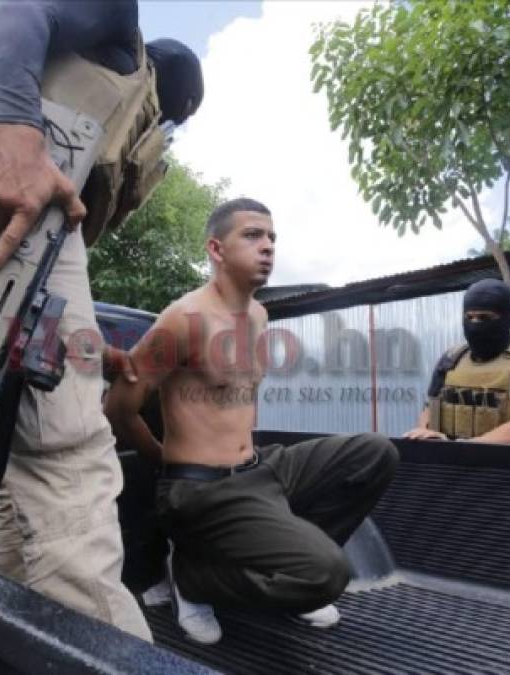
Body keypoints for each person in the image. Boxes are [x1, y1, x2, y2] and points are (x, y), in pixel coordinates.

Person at [0, 0, 203, 643]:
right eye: (174, 117)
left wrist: (88, 350)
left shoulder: (89, 90)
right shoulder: (118, 24)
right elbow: (16, 12)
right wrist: (15, 133)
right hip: (14, 235)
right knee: (71, 456)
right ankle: (110, 653)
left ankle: (20, 635)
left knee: (20, 465)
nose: (163, 128)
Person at [103, 198, 399, 644]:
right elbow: (118, 407)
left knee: (375, 453)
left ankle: (290, 572)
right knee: (328, 574)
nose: (268, 247)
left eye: (272, 237)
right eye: (252, 235)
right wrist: (164, 461)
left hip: (259, 470)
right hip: (202, 489)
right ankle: (192, 577)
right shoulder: (183, 319)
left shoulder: (259, 315)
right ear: (217, 249)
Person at [404, 279, 510, 444]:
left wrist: (461, 448)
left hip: (509, 465)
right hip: (448, 462)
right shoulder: (452, 358)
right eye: (469, 317)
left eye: (484, 317)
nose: (474, 324)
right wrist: (426, 434)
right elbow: (431, 409)